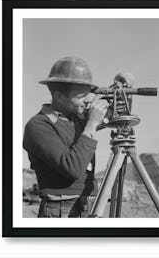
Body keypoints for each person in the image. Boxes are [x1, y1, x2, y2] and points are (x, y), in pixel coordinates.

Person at [23, 56, 109, 218]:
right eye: (81, 97)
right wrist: (91, 125)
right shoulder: (38, 126)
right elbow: (72, 168)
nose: (87, 102)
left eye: (88, 96)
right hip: (61, 208)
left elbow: (118, 117)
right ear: (59, 96)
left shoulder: (78, 117)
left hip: (88, 204)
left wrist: (121, 89)